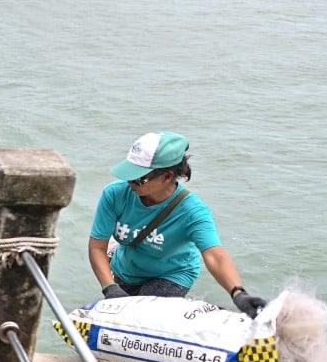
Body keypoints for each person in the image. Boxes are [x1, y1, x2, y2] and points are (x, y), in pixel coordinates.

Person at [88, 131, 266, 317]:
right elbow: (97, 247)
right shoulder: (114, 195)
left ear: (167, 177)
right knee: (119, 315)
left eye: (139, 178)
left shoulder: (192, 210)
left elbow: (215, 254)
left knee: (143, 317)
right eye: (129, 175)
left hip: (172, 274)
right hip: (125, 269)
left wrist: (238, 294)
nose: (131, 183)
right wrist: (110, 287)